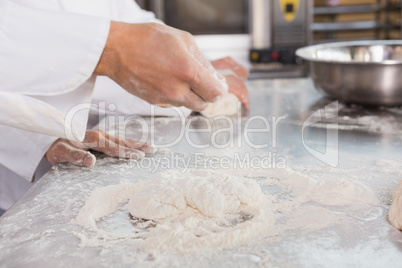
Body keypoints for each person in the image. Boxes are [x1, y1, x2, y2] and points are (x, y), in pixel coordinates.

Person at [0, 0, 249, 214]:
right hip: (17, 181)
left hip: (95, 161)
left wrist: (191, 62)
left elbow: (128, 18)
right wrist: (35, 135)